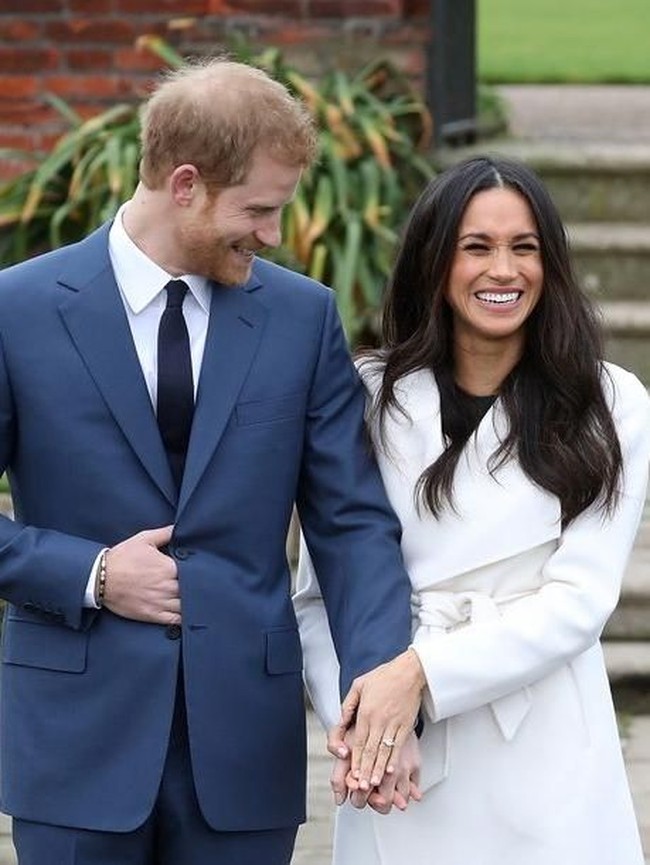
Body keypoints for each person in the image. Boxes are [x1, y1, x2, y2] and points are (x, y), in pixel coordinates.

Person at [0, 58, 424, 865]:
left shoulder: (302, 318)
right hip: (73, 743)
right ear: (185, 184)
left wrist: (378, 693)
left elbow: (353, 523)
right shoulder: (15, 311)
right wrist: (89, 573)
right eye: (258, 210)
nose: (272, 235)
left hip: (242, 751)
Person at [294, 155, 650, 864]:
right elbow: (318, 594)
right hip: (401, 760)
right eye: (477, 247)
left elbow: (579, 601)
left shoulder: (611, 403)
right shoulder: (366, 396)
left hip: (543, 742)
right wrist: (368, 727)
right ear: (434, 259)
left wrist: (420, 674)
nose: (503, 271)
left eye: (525, 248)